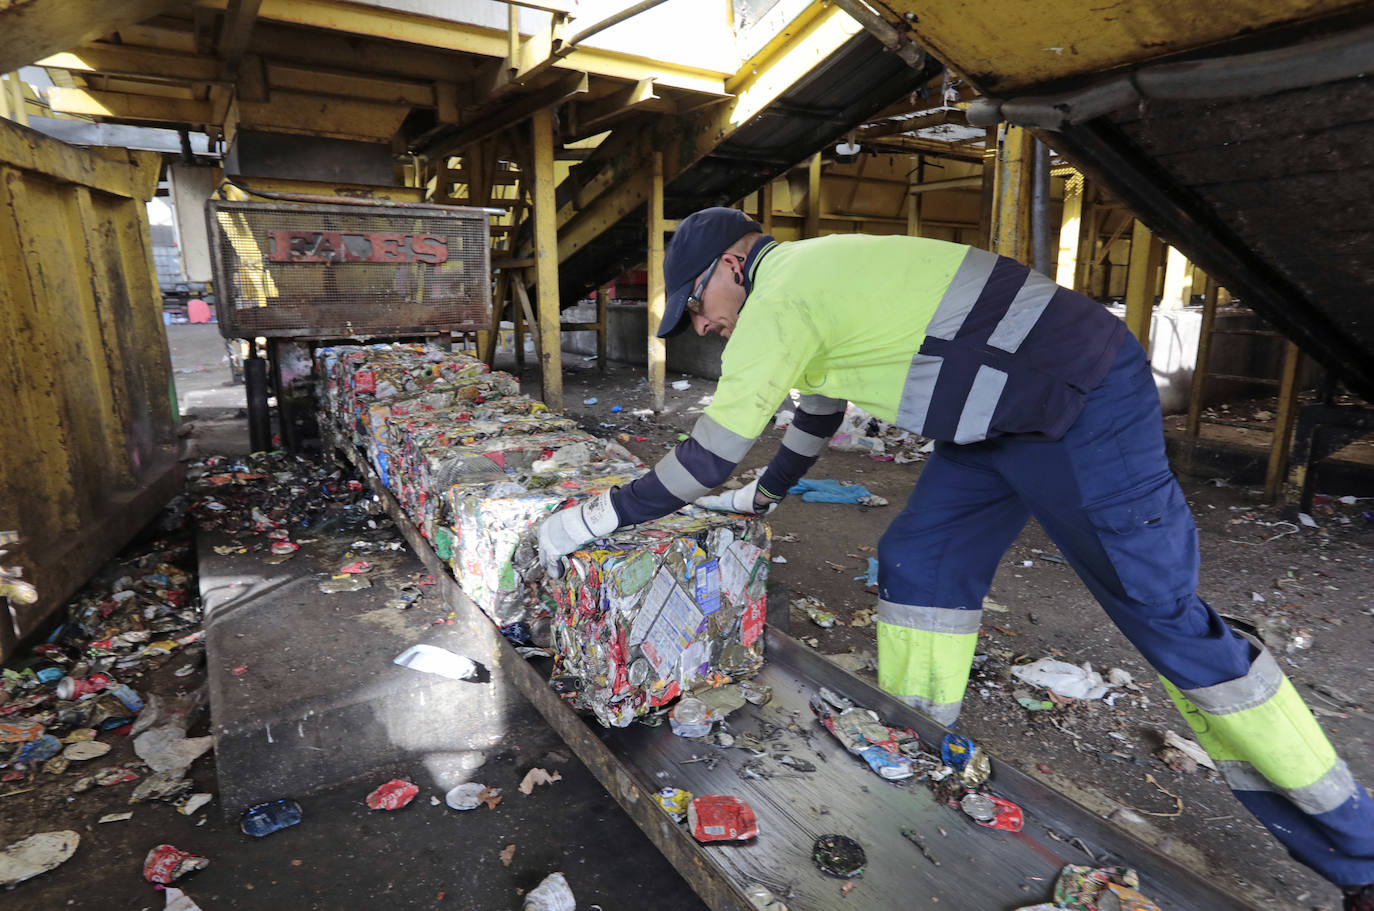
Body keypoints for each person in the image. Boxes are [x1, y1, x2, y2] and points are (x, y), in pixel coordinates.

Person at [536, 206, 1374, 905]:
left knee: (1161, 613)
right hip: (996, 420)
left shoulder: (783, 295)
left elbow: (706, 456)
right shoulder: (815, 276)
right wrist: (764, 497)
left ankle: (1356, 849)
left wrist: (591, 520)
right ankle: (906, 743)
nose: (702, 322)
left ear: (731, 261)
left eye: (696, 303)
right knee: (922, 559)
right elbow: (818, 408)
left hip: (1080, 402)